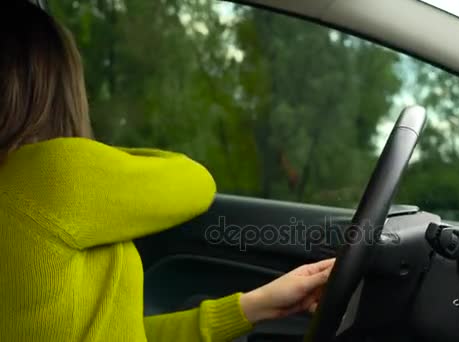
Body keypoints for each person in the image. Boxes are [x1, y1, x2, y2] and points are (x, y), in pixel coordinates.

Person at [0, 1, 335, 341]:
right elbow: (196, 182)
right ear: (58, 87)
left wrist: (255, 305)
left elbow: (120, 332)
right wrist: (83, 149)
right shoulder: (49, 175)